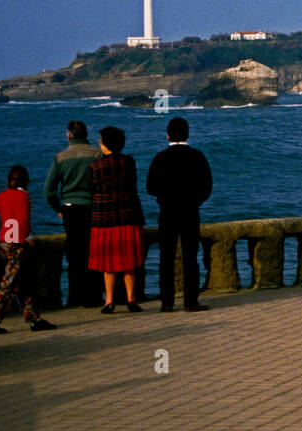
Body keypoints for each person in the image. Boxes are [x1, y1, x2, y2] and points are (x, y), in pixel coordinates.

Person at [0, 165, 57, 334]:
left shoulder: (4, 195)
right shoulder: (23, 197)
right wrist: (28, 238)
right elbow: (22, 220)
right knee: (9, 283)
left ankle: (34, 318)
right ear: (26, 181)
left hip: (5, 241)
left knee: (22, 281)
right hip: (17, 244)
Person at [146, 117, 212, 312]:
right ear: (188, 134)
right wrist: (195, 201)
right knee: (190, 257)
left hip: (167, 212)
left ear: (168, 135)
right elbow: (207, 186)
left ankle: (167, 302)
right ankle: (191, 301)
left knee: (166, 257)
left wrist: (165, 198)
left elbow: (150, 187)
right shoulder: (197, 156)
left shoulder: (160, 158)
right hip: (190, 212)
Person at [88, 126, 147, 314]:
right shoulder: (129, 162)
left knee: (108, 263)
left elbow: (90, 188)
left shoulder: (95, 166)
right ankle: (131, 298)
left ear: (105, 144)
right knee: (129, 261)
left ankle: (109, 301)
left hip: (104, 219)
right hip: (128, 216)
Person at [44, 121, 103, 307]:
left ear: (69, 136)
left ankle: (75, 297)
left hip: (70, 209)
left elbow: (49, 189)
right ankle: (94, 296)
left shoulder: (60, 157)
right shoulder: (97, 154)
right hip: (94, 208)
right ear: (86, 134)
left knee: (75, 255)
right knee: (94, 252)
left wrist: (57, 209)